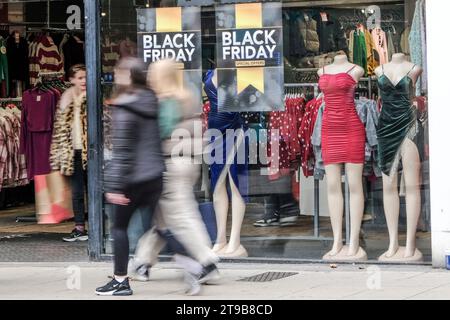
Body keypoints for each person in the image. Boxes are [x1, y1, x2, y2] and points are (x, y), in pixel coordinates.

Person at [129, 59, 219, 295]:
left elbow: (158, 132)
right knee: (163, 220)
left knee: (180, 215)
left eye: (153, 74)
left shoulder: (167, 100)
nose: (149, 77)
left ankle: (206, 260)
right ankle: (142, 261)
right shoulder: (188, 95)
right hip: (187, 162)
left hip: (169, 164)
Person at [95, 57, 165, 296]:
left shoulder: (125, 105)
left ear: (127, 76)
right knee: (161, 227)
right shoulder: (151, 100)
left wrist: (114, 186)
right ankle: (198, 265)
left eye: (119, 72)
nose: (115, 75)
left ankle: (120, 280)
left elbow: (122, 151)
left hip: (131, 179)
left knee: (119, 229)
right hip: (154, 176)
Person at [50, 64, 89, 242]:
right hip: (73, 151)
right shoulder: (66, 97)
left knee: (96, 189)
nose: (83, 81)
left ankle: (99, 225)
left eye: (85, 77)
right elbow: (60, 130)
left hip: (91, 150)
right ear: (71, 79)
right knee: (78, 190)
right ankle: (80, 226)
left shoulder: (92, 95)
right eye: (80, 77)